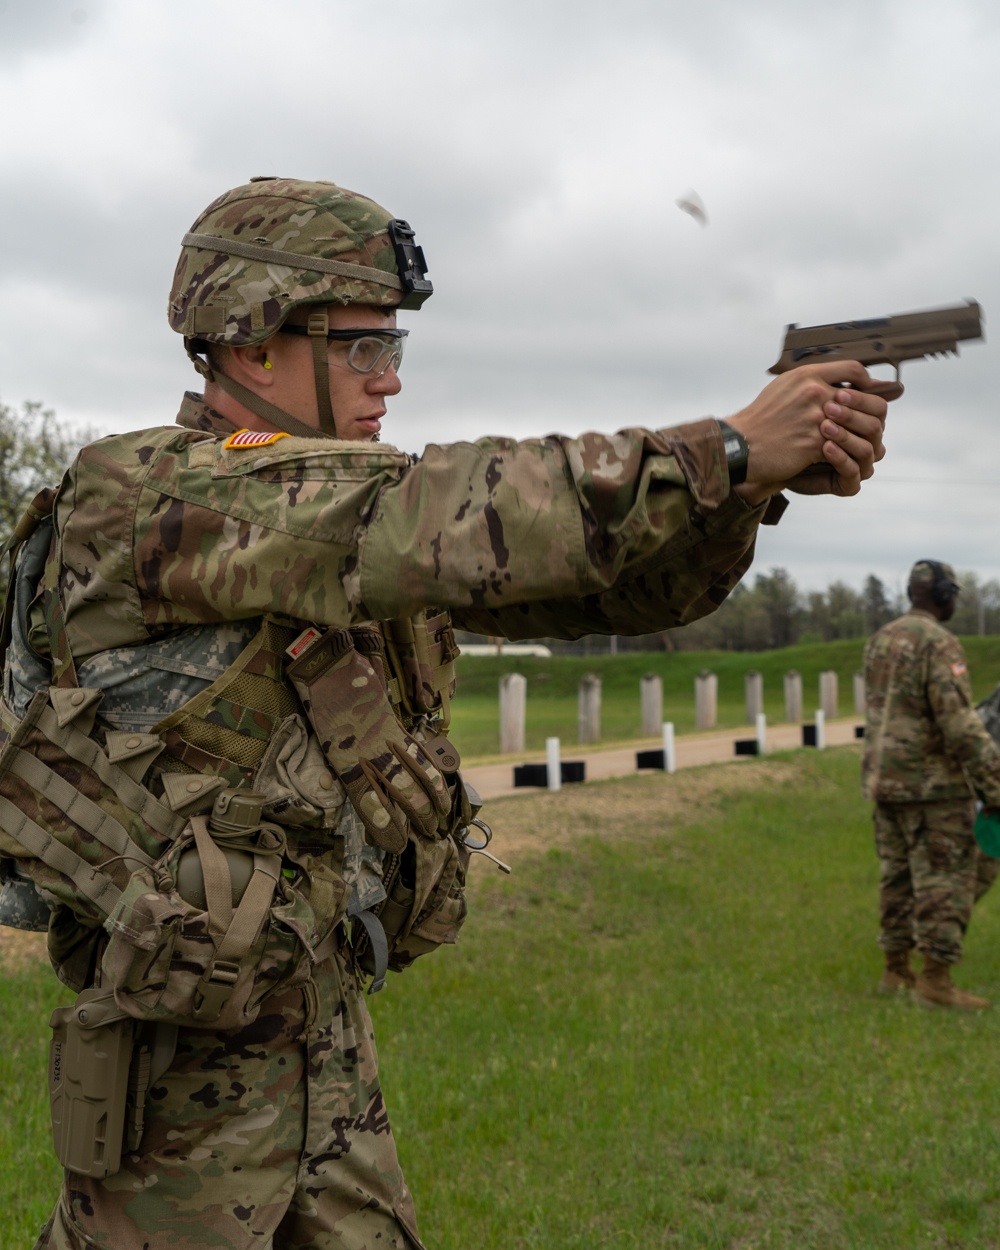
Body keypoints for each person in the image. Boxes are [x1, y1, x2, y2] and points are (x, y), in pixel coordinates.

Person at [0, 177, 894, 1250]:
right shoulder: (147, 496)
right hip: (173, 1101)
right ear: (248, 344)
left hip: (321, 1044)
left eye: (396, 349)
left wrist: (739, 492)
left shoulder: (338, 519)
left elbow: (609, 588)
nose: (390, 380)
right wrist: (728, 446)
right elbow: (443, 512)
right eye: (363, 345)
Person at [862, 560, 1000, 1011]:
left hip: (886, 784)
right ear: (942, 594)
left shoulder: (881, 640)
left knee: (896, 878)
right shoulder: (939, 643)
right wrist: (994, 785)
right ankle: (936, 982)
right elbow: (959, 724)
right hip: (933, 787)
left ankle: (895, 971)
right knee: (945, 879)